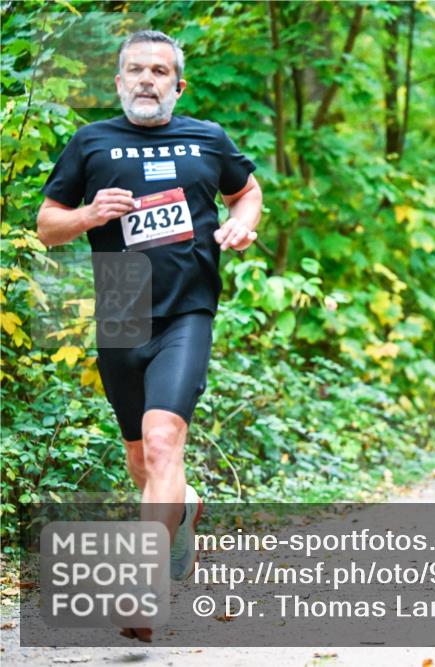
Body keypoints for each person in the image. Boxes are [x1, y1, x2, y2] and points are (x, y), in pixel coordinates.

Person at [36, 30, 262, 640]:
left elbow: (246, 191)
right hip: (123, 305)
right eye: (135, 70)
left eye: (159, 71)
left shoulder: (207, 138)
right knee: (141, 458)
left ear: (177, 85)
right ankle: (182, 507)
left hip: (188, 307)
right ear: (118, 82)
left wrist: (242, 225)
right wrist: (88, 215)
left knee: (164, 443)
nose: (146, 80)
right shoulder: (92, 142)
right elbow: (47, 225)